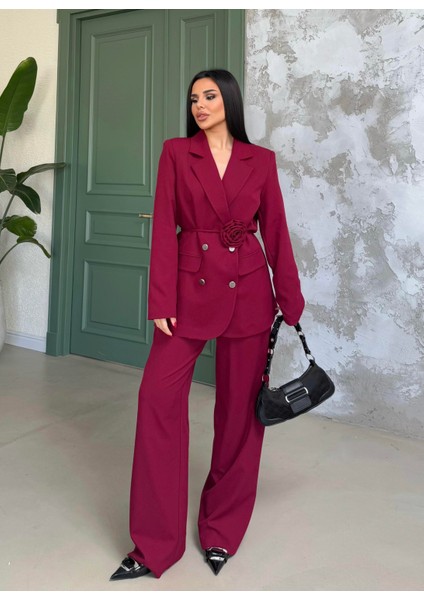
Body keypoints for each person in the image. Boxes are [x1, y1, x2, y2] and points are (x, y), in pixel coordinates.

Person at [110, 68, 305, 580]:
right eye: (194, 98)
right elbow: (164, 225)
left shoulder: (260, 161)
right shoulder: (177, 153)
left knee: (240, 417)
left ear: (229, 101)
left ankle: (221, 531)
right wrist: (160, 298)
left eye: (210, 96)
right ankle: (155, 544)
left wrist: (290, 297)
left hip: (249, 293)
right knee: (156, 399)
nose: (199, 105)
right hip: (188, 291)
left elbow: (276, 230)